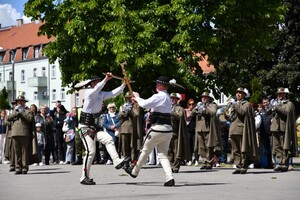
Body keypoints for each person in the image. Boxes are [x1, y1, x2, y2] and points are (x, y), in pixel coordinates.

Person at [78, 73, 129, 185]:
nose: (98, 83)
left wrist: (124, 85)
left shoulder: (100, 94)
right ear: (92, 84)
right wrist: (106, 79)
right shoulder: (89, 93)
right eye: (96, 81)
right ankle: (84, 177)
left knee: (109, 139)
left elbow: (113, 93)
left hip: (94, 128)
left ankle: (116, 161)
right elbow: (97, 88)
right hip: (85, 128)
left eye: (98, 81)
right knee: (90, 152)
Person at [124, 76, 175, 187]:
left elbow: (145, 104)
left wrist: (137, 97)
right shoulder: (167, 97)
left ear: (162, 85)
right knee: (162, 154)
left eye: (157, 84)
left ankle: (134, 172)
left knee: (145, 150)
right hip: (167, 129)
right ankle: (169, 177)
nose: (156, 85)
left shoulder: (159, 96)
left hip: (157, 128)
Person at [225, 88, 258, 174]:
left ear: (244, 95)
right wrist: (226, 113)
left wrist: (235, 105)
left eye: (240, 93)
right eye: (237, 93)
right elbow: (230, 117)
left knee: (243, 149)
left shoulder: (246, 104)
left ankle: (244, 165)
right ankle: (238, 165)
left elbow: (242, 112)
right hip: (233, 129)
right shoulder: (234, 104)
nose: (238, 95)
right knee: (235, 149)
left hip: (241, 129)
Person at [266, 87, 298, 172]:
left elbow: (287, 113)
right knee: (277, 147)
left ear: (285, 94)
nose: (279, 95)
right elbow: (267, 113)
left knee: (285, 146)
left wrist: (277, 107)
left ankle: (284, 164)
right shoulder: (276, 103)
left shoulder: (289, 103)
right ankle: (279, 163)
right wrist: (269, 106)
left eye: (281, 94)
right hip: (275, 127)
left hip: (284, 128)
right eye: (278, 94)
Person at [191, 91, 221, 170]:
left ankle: (209, 162)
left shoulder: (212, 105)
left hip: (208, 128)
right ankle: (204, 161)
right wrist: (196, 108)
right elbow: (192, 114)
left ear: (209, 98)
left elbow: (213, 113)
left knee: (209, 146)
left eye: (205, 97)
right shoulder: (199, 105)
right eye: (202, 97)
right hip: (199, 128)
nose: (203, 98)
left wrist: (204, 109)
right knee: (201, 147)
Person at [6, 95, 34, 174]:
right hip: (15, 133)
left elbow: (29, 119)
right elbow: (8, 118)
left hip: (24, 132)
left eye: (21, 101)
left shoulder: (27, 111)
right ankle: (18, 167)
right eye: (18, 101)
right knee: (17, 151)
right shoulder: (14, 110)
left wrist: (21, 113)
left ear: (24, 102)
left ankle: (24, 167)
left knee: (24, 151)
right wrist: (16, 112)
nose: (20, 102)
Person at [118, 91, 144, 163]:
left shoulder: (136, 106)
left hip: (132, 128)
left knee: (133, 146)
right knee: (124, 146)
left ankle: (133, 160)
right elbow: (119, 116)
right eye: (127, 98)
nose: (128, 99)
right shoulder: (122, 106)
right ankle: (126, 160)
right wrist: (123, 112)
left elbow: (137, 115)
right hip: (124, 128)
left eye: (130, 98)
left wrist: (131, 109)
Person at [168, 93, 191, 173]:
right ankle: (170, 166)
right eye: (171, 98)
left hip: (176, 132)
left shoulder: (179, 108)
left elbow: (180, 116)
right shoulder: (166, 107)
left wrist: (171, 112)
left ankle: (176, 166)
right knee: (169, 150)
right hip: (167, 131)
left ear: (177, 100)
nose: (172, 100)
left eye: (174, 98)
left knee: (176, 150)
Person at [184, 99, 197, 166]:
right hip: (188, 130)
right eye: (190, 104)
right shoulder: (186, 111)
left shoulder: (196, 110)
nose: (191, 105)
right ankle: (189, 159)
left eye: (193, 104)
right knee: (189, 145)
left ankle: (196, 159)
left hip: (195, 129)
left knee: (195, 145)